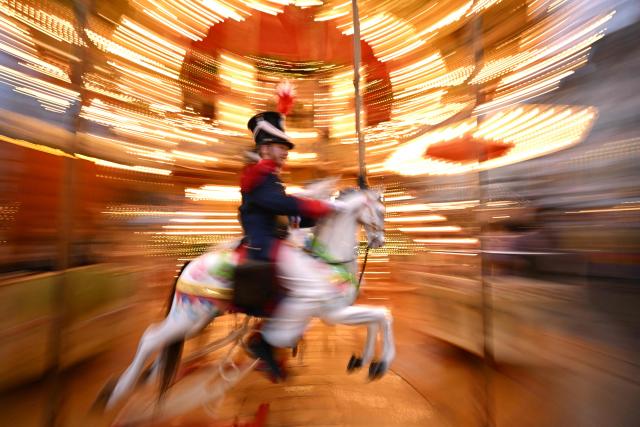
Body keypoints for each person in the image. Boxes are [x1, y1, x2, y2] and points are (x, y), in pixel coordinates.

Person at [239, 111, 340, 381]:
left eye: (285, 147)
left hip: (274, 241)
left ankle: (274, 335)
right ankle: (265, 341)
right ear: (265, 148)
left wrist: (319, 215)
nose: (285, 153)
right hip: (265, 244)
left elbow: (287, 212)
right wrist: (319, 206)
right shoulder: (258, 175)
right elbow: (281, 205)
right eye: (281, 147)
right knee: (314, 286)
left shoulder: (269, 176)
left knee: (309, 275)